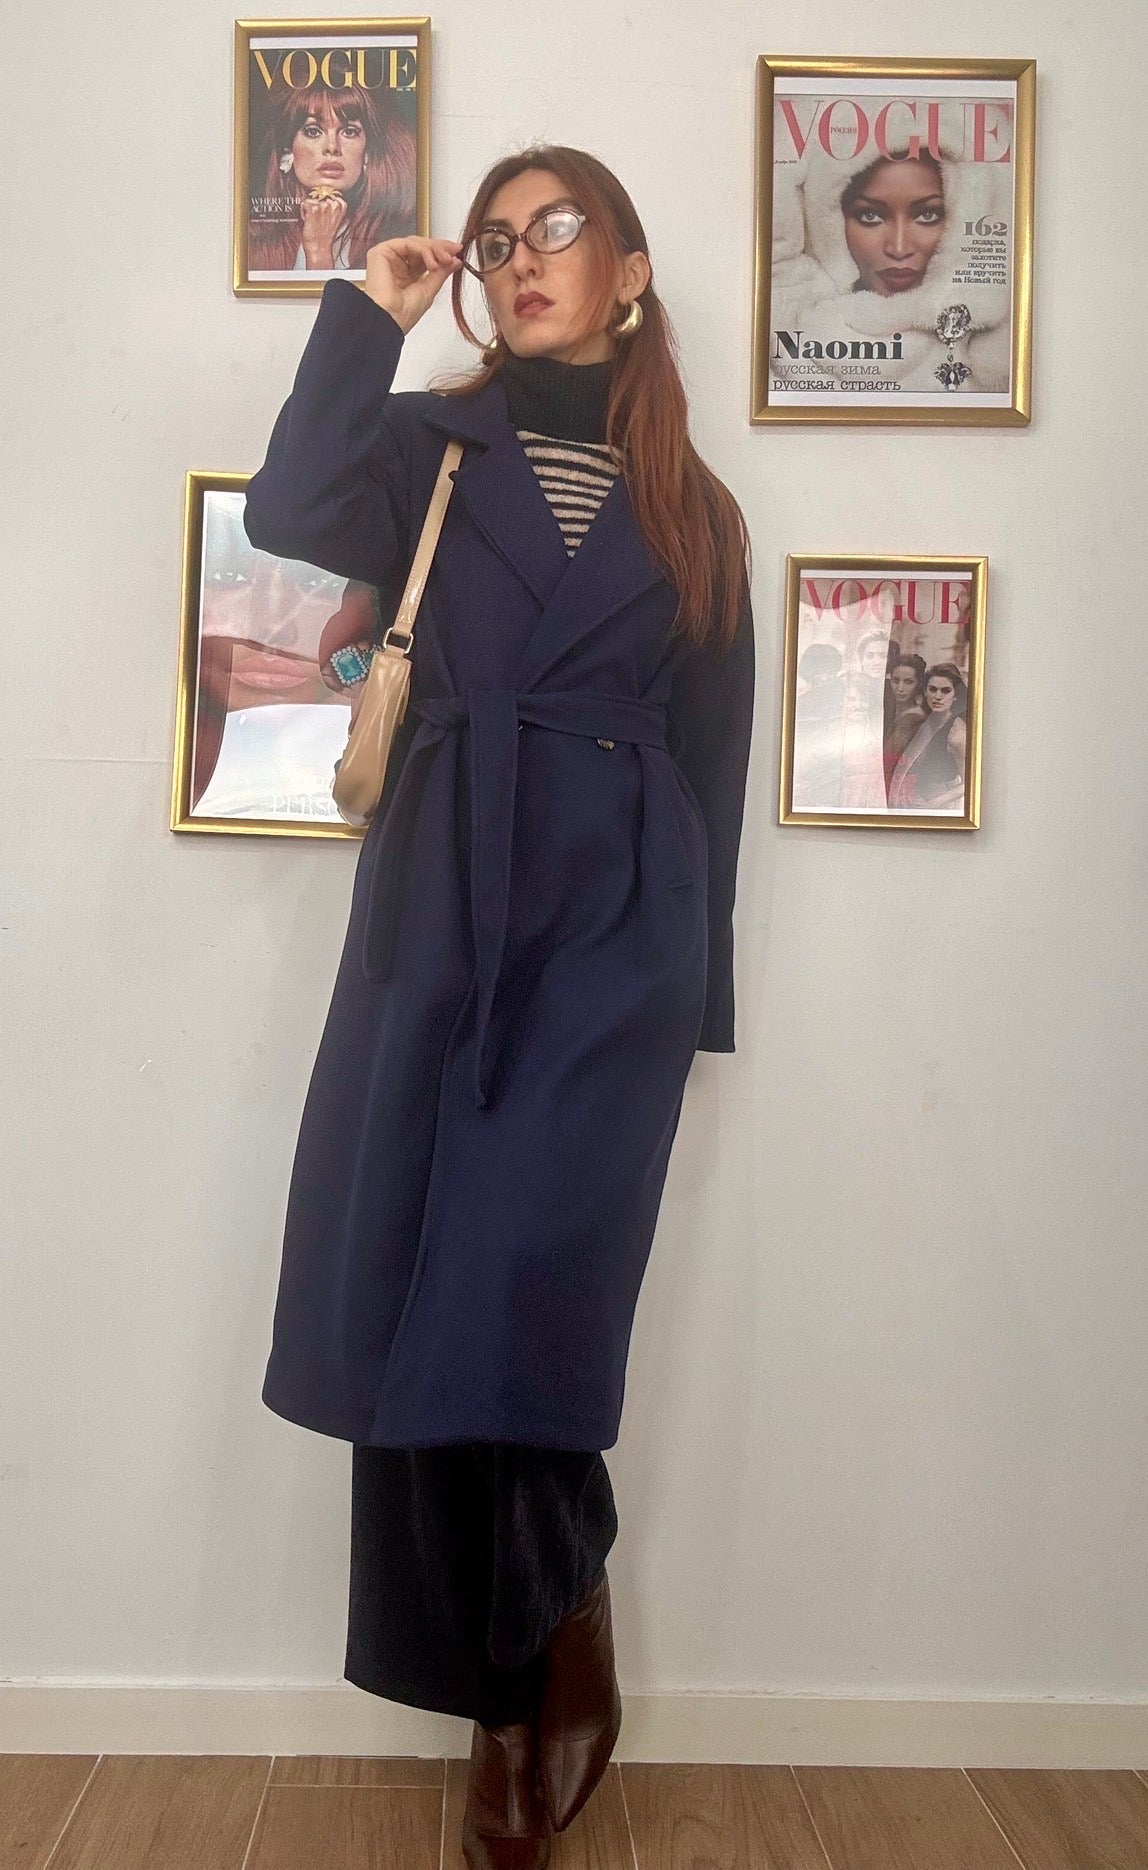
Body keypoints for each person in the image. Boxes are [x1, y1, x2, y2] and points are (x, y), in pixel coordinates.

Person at [243, 142, 756, 1869]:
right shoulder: (429, 448)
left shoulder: (696, 509)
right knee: (424, 1301)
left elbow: (713, 763)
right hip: (441, 910)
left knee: (526, 1291)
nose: (524, 259)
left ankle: (533, 1656)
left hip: (614, 935)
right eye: (498, 240)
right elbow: (286, 506)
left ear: (629, 269)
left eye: (560, 230)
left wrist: (693, 1002)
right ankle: (531, 1669)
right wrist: (366, 315)